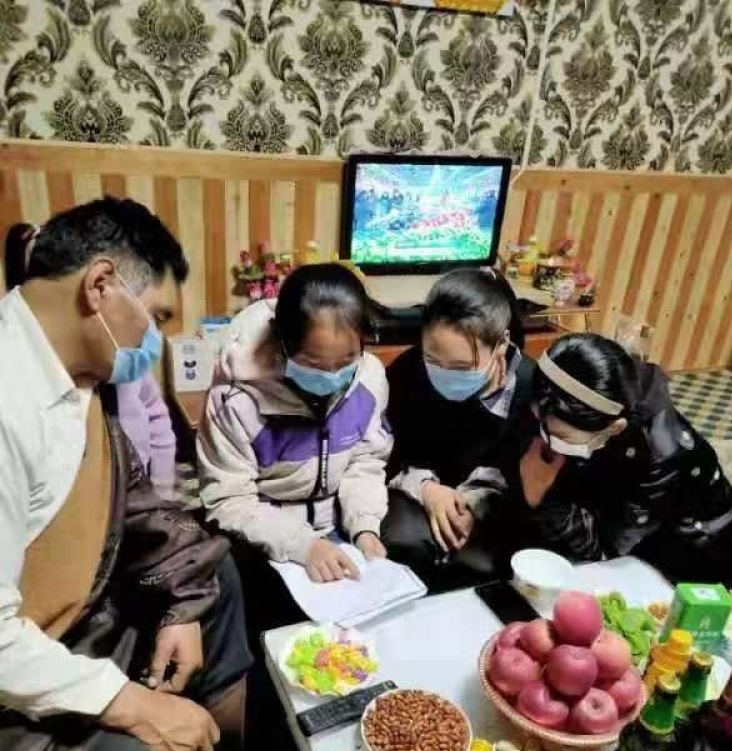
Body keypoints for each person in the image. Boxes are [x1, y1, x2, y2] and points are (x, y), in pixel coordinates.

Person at [0, 198, 312, 751]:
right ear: (101, 285)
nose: (162, 341)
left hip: (75, 631)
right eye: (160, 317)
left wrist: (180, 608)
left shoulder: (75, 376)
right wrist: (135, 706)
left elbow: (137, 508)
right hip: (18, 697)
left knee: (219, 580)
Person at [198, 263, 392, 597]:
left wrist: (365, 526)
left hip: (338, 521)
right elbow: (229, 499)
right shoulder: (235, 400)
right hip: (264, 532)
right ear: (282, 343)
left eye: (347, 361)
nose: (333, 376)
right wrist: (302, 545)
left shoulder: (369, 378)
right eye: (315, 364)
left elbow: (365, 461)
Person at [509, 334, 732, 588]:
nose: (545, 440)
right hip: (624, 510)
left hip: (690, 554)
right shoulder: (587, 391)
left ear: (614, 428)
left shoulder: (661, 455)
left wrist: (542, 498)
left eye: (561, 436)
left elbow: (606, 552)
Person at [382, 268, 534, 589]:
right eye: (433, 360)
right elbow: (386, 451)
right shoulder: (407, 372)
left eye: (463, 367)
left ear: (502, 344)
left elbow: (524, 482)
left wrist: (474, 504)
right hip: (418, 491)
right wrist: (426, 488)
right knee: (402, 539)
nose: (444, 374)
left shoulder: (530, 390)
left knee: (491, 562)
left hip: (490, 504)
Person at [4, 222, 177, 500]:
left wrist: (162, 487)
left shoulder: (128, 359)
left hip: (139, 490)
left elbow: (157, 416)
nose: (149, 333)